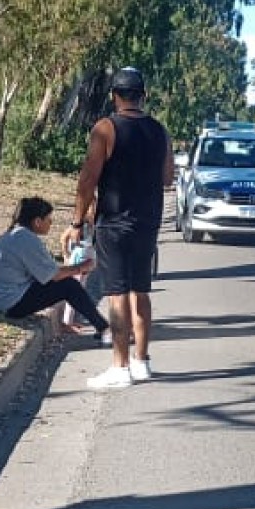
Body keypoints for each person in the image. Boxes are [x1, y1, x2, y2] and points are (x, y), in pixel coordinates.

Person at [61, 67, 173, 389]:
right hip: (148, 222)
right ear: (143, 96)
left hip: (113, 222)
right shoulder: (159, 131)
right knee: (141, 290)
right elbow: (167, 179)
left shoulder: (106, 128)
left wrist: (77, 222)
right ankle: (142, 361)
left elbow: (88, 180)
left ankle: (119, 366)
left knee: (117, 294)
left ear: (114, 96)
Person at [0, 197, 109, 337]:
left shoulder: (12, 235)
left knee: (61, 284)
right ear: (37, 221)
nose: (51, 223)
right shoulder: (26, 239)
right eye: (49, 219)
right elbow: (54, 275)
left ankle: (69, 323)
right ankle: (104, 328)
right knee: (69, 285)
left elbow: (44, 273)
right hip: (10, 304)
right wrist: (82, 267)